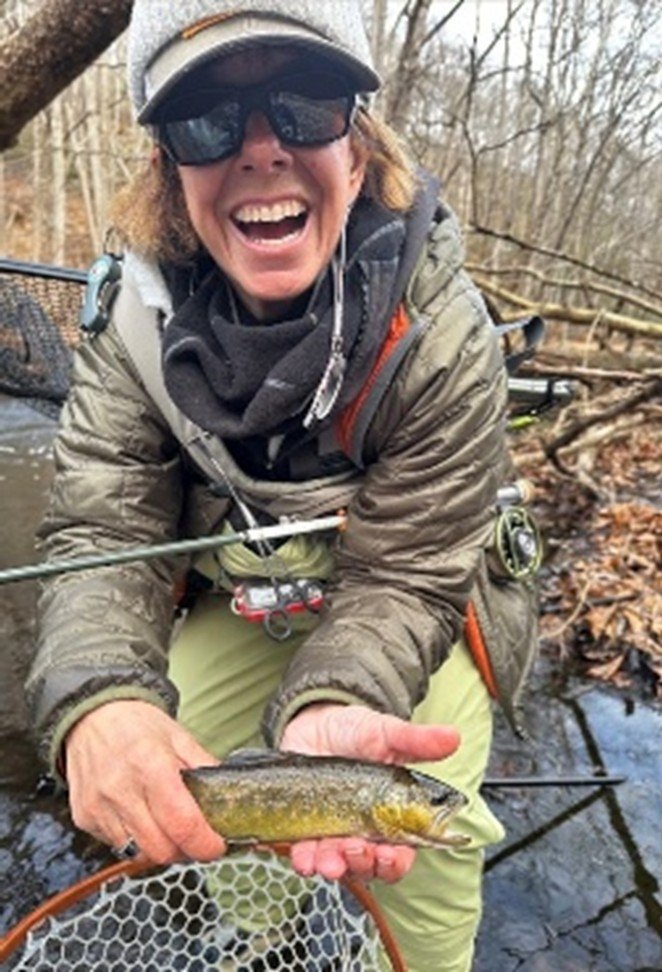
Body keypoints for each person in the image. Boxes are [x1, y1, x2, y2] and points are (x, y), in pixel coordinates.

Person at [26, 1, 538, 969]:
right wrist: (95, 701)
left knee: (418, 824)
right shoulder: (132, 322)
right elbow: (97, 533)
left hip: (413, 601)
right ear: (168, 169)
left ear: (356, 141)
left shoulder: (439, 326)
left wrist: (333, 696)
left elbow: (411, 573)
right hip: (250, 593)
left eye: (303, 102)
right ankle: (263, 938)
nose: (260, 149)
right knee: (197, 789)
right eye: (207, 119)